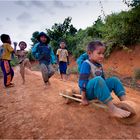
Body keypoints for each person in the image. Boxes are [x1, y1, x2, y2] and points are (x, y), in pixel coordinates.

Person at [78, 40, 131, 118]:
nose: (102, 56)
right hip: (88, 92)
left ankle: (126, 102)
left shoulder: (99, 65)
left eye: (103, 53)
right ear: (89, 53)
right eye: (99, 53)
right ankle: (112, 109)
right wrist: (83, 98)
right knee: (98, 79)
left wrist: (104, 91)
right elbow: (82, 82)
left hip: (97, 89)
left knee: (114, 80)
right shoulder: (86, 64)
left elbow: (103, 80)